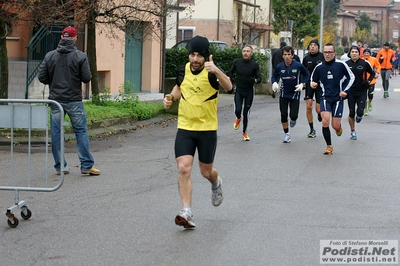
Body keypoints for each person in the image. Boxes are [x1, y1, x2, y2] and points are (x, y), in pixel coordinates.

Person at [163, 35, 232, 229]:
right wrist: (170, 97)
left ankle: (216, 182)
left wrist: (216, 70)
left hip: (207, 129)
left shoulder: (212, 73)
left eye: (199, 56)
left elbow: (229, 86)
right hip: (185, 127)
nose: (195, 59)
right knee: (183, 167)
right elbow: (179, 88)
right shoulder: (183, 70)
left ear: (206, 56)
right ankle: (186, 211)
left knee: (205, 171)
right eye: (192, 55)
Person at [38, 26, 100, 176]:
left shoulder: (50, 56)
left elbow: (42, 77)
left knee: (56, 133)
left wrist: (54, 81)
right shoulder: (80, 56)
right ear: (75, 38)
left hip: (55, 101)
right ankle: (86, 165)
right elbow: (86, 78)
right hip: (73, 100)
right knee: (80, 131)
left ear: (61, 38)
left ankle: (60, 167)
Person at [311, 43, 355, 154]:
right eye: (325, 52)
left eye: (329, 52)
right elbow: (313, 79)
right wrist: (313, 84)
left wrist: (345, 90)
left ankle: (338, 128)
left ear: (334, 53)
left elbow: (351, 77)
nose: (327, 54)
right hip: (325, 97)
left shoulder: (341, 65)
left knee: (334, 125)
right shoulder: (319, 67)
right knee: (325, 121)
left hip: (338, 98)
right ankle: (329, 146)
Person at [271, 46, 310, 143]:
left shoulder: (298, 65)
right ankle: (286, 134)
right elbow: (274, 76)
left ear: (292, 55)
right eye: (285, 55)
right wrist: (274, 83)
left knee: (293, 116)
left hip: (295, 93)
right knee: (283, 115)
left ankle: (293, 119)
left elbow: (307, 74)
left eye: (289, 54)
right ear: (282, 56)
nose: (287, 57)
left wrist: (302, 83)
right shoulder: (280, 66)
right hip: (284, 93)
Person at [229, 45, 261, 141]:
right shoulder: (237, 62)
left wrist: (254, 81)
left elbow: (259, 79)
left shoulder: (254, 65)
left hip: (249, 91)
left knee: (246, 113)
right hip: (239, 90)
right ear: (242, 52)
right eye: (244, 51)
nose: (245, 53)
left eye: (248, 51)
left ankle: (244, 133)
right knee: (238, 110)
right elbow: (230, 72)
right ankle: (238, 118)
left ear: (251, 53)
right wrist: (229, 82)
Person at [345, 46, 375, 140]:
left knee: (360, 112)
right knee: (351, 112)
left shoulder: (364, 63)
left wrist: (368, 82)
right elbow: (341, 76)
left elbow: (373, 73)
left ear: (359, 53)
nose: (354, 53)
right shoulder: (346, 64)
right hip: (351, 91)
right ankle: (352, 131)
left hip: (362, 90)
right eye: (352, 52)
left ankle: (359, 116)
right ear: (350, 53)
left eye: (356, 52)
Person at [302, 39, 324, 138]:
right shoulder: (306, 58)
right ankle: (311, 129)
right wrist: (302, 83)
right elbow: (303, 71)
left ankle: (320, 114)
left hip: (320, 84)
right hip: (309, 84)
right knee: (308, 107)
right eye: (311, 45)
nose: (312, 47)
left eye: (315, 45)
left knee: (318, 109)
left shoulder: (322, 56)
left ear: (318, 47)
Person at [363, 48, 381, 116]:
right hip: (363, 81)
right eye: (365, 53)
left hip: (372, 80)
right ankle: (365, 109)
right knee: (364, 97)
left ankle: (370, 102)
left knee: (370, 95)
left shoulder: (374, 59)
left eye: (367, 53)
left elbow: (378, 66)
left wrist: (377, 73)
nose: (366, 54)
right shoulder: (361, 60)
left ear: (370, 54)